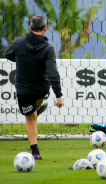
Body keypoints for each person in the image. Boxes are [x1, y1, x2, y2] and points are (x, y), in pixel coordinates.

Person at [5, 16, 63, 160]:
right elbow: (53, 73)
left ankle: (35, 152)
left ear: (30, 28)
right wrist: (59, 96)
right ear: (45, 28)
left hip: (24, 89)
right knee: (33, 114)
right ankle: (37, 109)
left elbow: (8, 54)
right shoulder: (48, 48)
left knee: (30, 119)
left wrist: (21, 58)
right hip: (42, 88)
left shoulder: (19, 42)